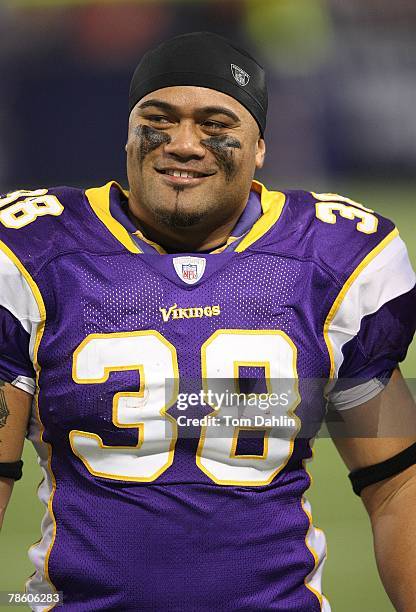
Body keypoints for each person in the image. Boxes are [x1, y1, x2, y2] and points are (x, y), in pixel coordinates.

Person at [0, 31, 415, 611]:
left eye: (216, 124)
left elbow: (397, 481)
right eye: (159, 120)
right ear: (127, 132)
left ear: (260, 147)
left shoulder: (331, 261)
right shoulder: (36, 252)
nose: (184, 144)